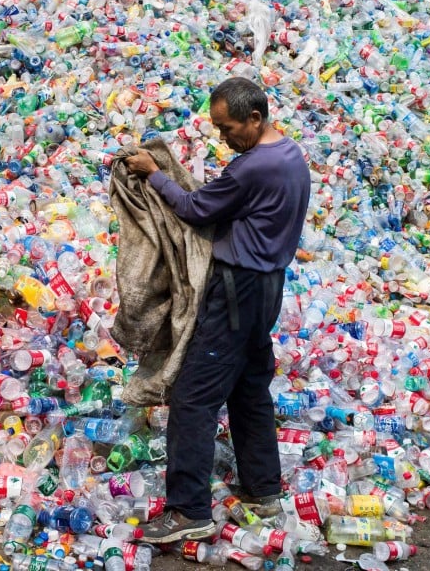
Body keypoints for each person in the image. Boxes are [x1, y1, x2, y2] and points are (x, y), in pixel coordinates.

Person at [124, 77, 311, 544]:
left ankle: (188, 511)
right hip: (268, 286)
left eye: (228, 128)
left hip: (235, 291)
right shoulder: (290, 155)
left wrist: (154, 172)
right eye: (217, 128)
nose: (223, 138)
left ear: (255, 118)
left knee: (193, 397)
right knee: (249, 389)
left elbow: (193, 208)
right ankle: (263, 491)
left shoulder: (253, 168)